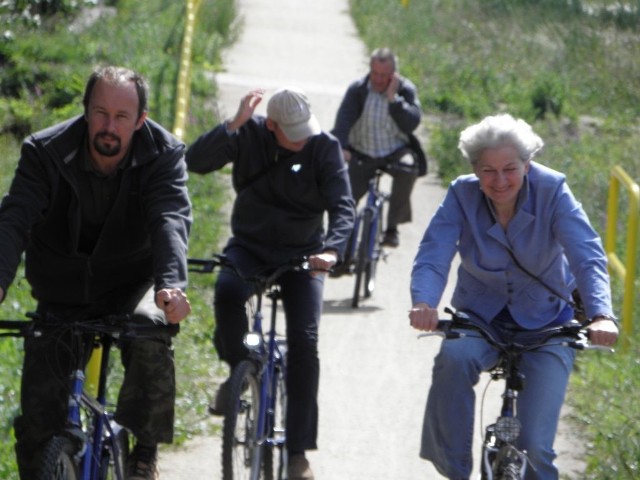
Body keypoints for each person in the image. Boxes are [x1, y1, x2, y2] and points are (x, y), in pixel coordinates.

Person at [0, 65, 192, 480]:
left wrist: (170, 285)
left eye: (122, 117)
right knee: (38, 424)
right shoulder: (44, 150)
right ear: (85, 110)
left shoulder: (163, 153)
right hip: (62, 290)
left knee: (149, 330)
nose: (109, 126)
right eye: (100, 113)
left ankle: (143, 449)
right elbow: (15, 217)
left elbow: (169, 217)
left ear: (140, 120)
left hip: (134, 282)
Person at [408, 114, 619, 480]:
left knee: (536, 446)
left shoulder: (553, 190)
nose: (500, 180)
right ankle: (456, 469)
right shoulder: (462, 192)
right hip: (480, 317)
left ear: (528, 164)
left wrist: (601, 314)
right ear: (475, 170)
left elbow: (587, 255)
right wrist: (424, 302)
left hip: (548, 322)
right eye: (488, 171)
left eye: (510, 169)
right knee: (453, 359)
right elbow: (434, 253)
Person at [186, 86, 355, 480]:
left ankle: (297, 453)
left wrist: (332, 250)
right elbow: (195, 161)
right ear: (271, 125)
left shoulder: (323, 147)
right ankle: (239, 372)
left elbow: (343, 206)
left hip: (303, 255)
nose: (301, 140)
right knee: (227, 292)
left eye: (304, 131)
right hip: (250, 246)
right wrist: (232, 125)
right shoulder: (249, 134)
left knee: (305, 343)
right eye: (291, 132)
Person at [331, 47, 427, 249]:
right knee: (346, 197)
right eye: (375, 73)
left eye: (384, 75)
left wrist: (394, 100)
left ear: (394, 74)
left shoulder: (405, 90)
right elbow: (343, 120)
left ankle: (392, 228)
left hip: (394, 152)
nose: (378, 79)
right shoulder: (358, 89)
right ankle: (341, 249)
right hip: (362, 151)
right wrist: (342, 147)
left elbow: (412, 123)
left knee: (408, 167)